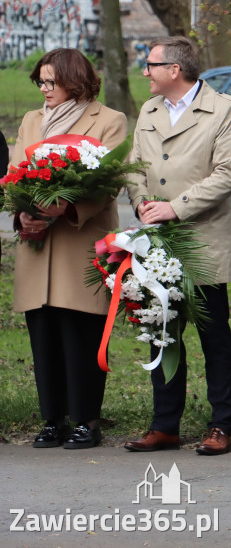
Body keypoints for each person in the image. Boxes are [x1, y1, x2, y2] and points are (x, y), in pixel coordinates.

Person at [124, 36, 231, 456]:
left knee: (215, 337)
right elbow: (134, 166)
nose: (145, 71)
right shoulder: (149, 109)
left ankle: (220, 425)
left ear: (174, 70)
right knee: (161, 334)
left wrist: (174, 208)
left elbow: (227, 174)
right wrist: (141, 204)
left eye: (150, 64)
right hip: (155, 243)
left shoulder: (224, 109)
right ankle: (165, 425)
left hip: (202, 241)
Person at [12, 48, 127, 450]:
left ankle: (87, 420)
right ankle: (52, 420)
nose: (44, 89)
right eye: (40, 82)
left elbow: (112, 181)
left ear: (74, 80)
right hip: (37, 246)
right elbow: (15, 172)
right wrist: (22, 213)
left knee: (81, 334)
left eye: (50, 82)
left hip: (80, 243)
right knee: (43, 335)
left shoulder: (109, 119)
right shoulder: (31, 120)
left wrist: (70, 205)